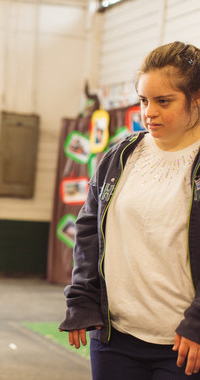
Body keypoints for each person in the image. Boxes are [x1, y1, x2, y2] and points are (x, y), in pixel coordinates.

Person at [60, 41, 200, 379]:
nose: (148, 112)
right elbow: (89, 229)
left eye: (163, 101)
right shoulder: (119, 155)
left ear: (197, 100)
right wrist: (83, 297)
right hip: (114, 339)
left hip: (184, 343)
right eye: (143, 100)